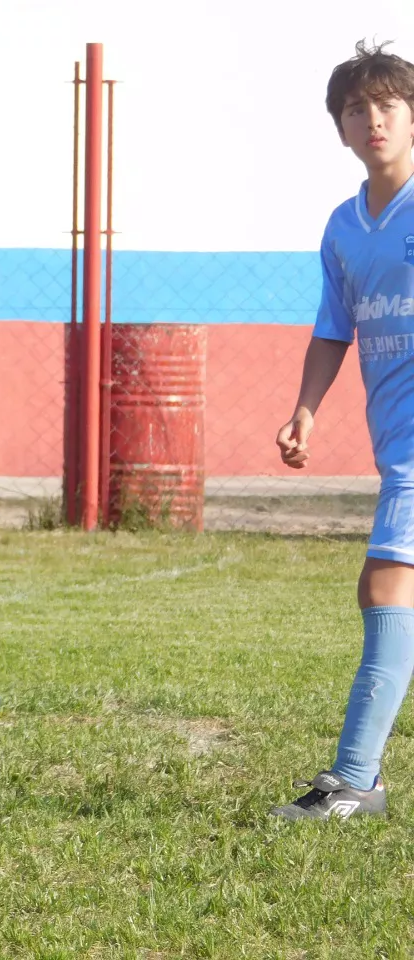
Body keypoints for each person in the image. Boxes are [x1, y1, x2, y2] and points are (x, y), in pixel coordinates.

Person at [271, 41, 414, 821]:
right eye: (357, 109)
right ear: (341, 129)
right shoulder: (343, 228)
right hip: (395, 442)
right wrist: (306, 408)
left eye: (389, 104)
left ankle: (355, 782)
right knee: (385, 589)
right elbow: (335, 327)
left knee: (386, 583)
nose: (374, 119)